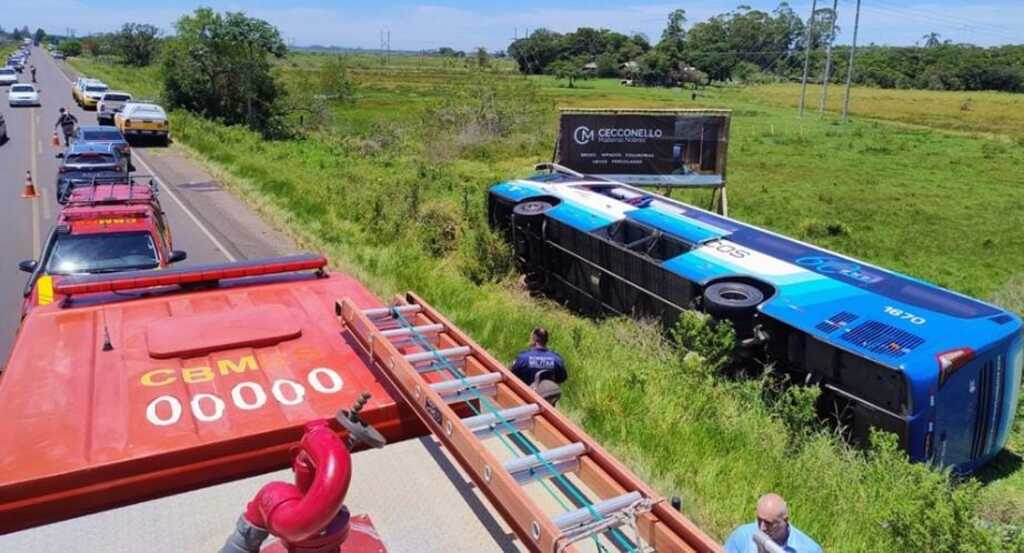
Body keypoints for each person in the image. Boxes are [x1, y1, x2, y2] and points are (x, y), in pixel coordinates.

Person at [724, 494, 821, 553]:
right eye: (759, 520)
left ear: (785, 520)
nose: (762, 528)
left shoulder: (809, 550)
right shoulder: (743, 535)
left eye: (768, 523)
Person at [511, 328, 567, 404]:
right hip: (546, 402)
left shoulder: (523, 358)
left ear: (534, 338)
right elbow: (561, 379)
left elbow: (512, 376)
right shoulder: (557, 360)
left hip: (525, 400)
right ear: (547, 340)